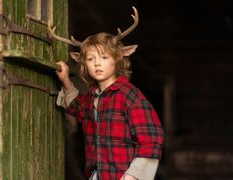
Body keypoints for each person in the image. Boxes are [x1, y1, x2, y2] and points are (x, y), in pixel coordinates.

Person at [55, 32, 164, 180]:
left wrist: (133, 176)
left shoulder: (129, 95)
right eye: (90, 58)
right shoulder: (92, 97)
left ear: (117, 58)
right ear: (83, 63)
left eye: (104, 57)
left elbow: (151, 138)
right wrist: (65, 79)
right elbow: (76, 107)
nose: (97, 63)